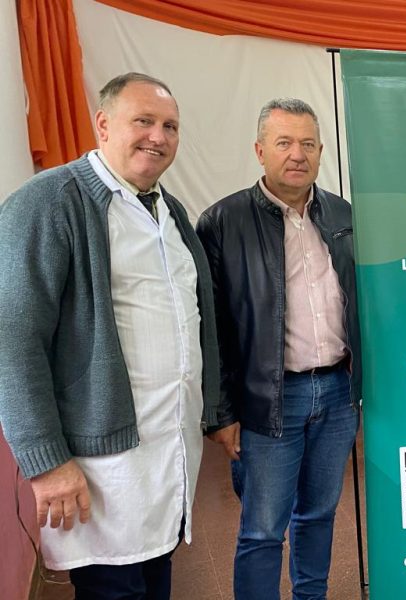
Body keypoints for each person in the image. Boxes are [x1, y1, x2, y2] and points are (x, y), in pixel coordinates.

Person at [0, 72, 220, 598]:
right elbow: (13, 340)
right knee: (113, 587)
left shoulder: (170, 211)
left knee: (154, 575)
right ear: (103, 124)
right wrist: (47, 462)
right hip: (101, 465)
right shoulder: (50, 202)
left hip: (166, 451)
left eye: (170, 126)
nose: (158, 137)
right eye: (143, 121)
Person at [196, 98, 361, 600]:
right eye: (284, 142)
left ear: (321, 151)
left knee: (319, 514)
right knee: (263, 529)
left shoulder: (344, 214)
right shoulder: (222, 221)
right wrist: (220, 413)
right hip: (268, 400)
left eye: (308, 144)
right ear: (259, 150)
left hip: (337, 393)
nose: (297, 154)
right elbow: (211, 329)